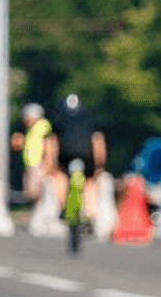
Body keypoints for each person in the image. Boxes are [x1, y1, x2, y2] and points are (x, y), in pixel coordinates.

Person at [48, 93, 107, 225]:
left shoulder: (60, 118)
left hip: (65, 155)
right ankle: (90, 215)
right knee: (90, 183)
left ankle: (62, 207)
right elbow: (98, 142)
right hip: (87, 157)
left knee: (59, 177)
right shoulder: (90, 118)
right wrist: (100, 166)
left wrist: (51, 164)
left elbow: (52, 142)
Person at [11, 102, 53, 202]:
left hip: (38, 164)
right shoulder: (31, 130)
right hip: (32, 164)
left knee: (36, 192)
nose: (24, 120)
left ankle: (42, 212)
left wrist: (47, 161)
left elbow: (48, 144)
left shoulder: (42, 127)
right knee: (31, 192)